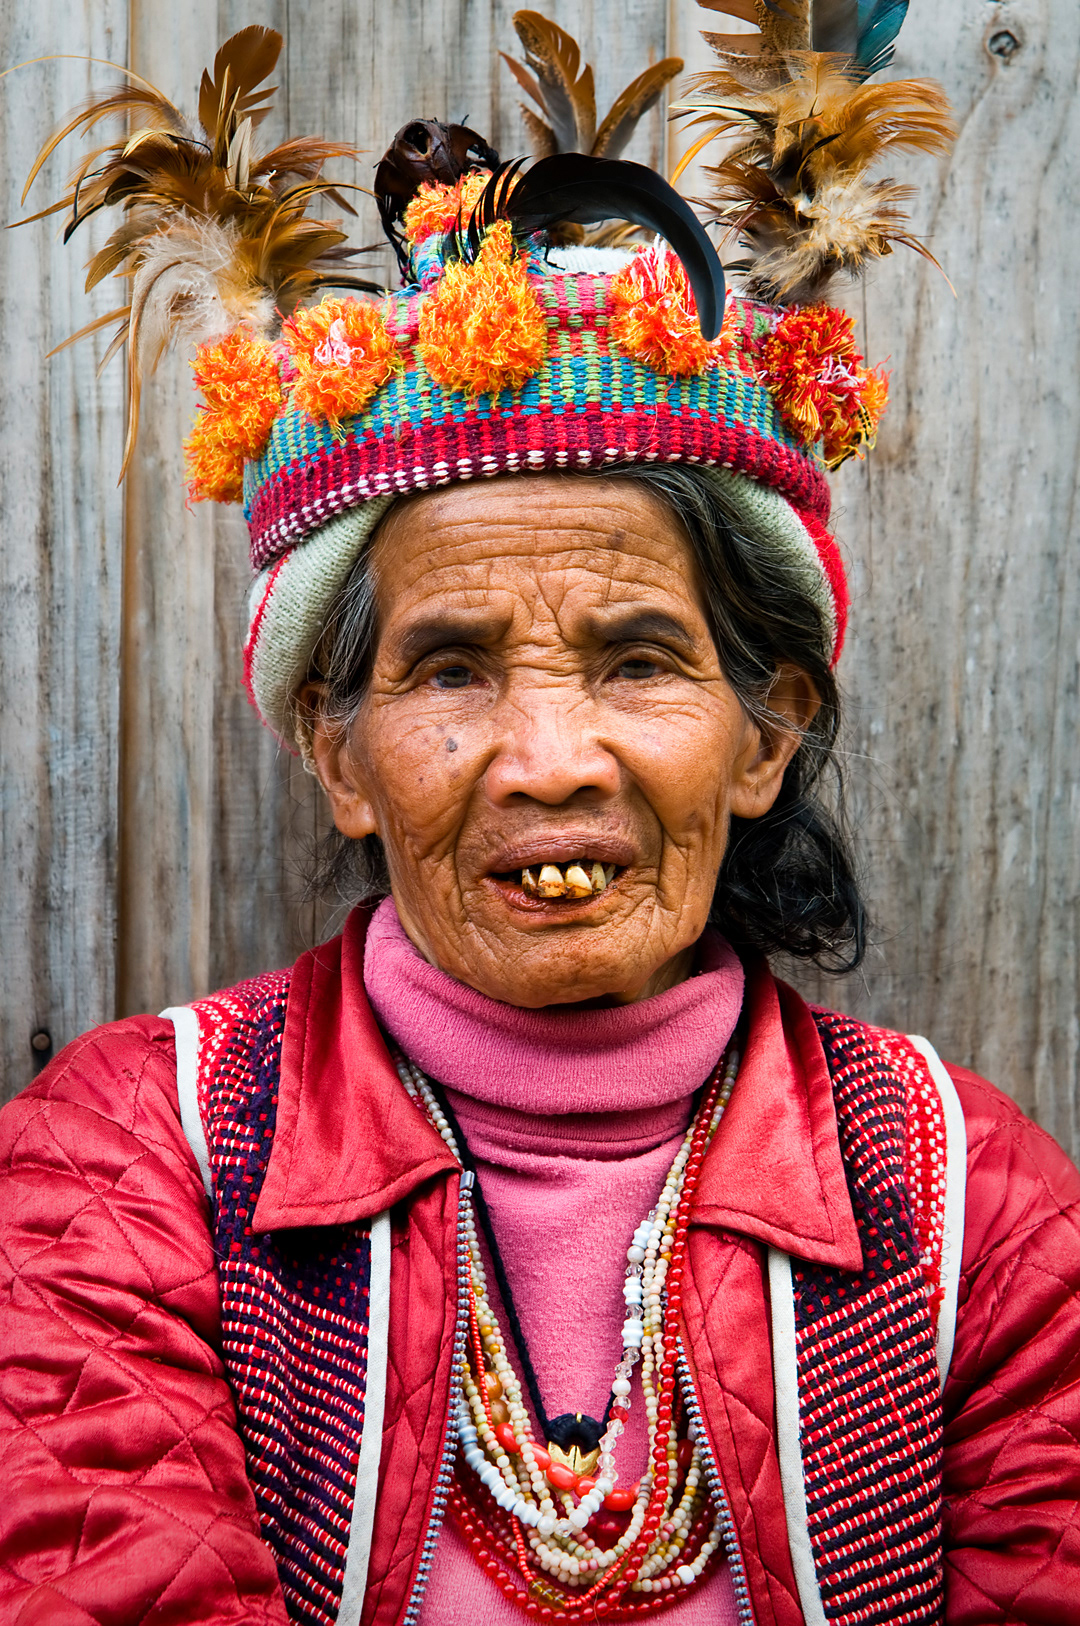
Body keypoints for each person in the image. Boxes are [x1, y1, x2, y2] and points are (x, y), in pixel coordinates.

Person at [2, 10, 1078, 1626]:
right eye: (448, 670)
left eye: (640, 658)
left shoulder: (968, 1209)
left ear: (765, 736)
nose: (548, 757)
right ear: (339, 753)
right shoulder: (131, 1165)